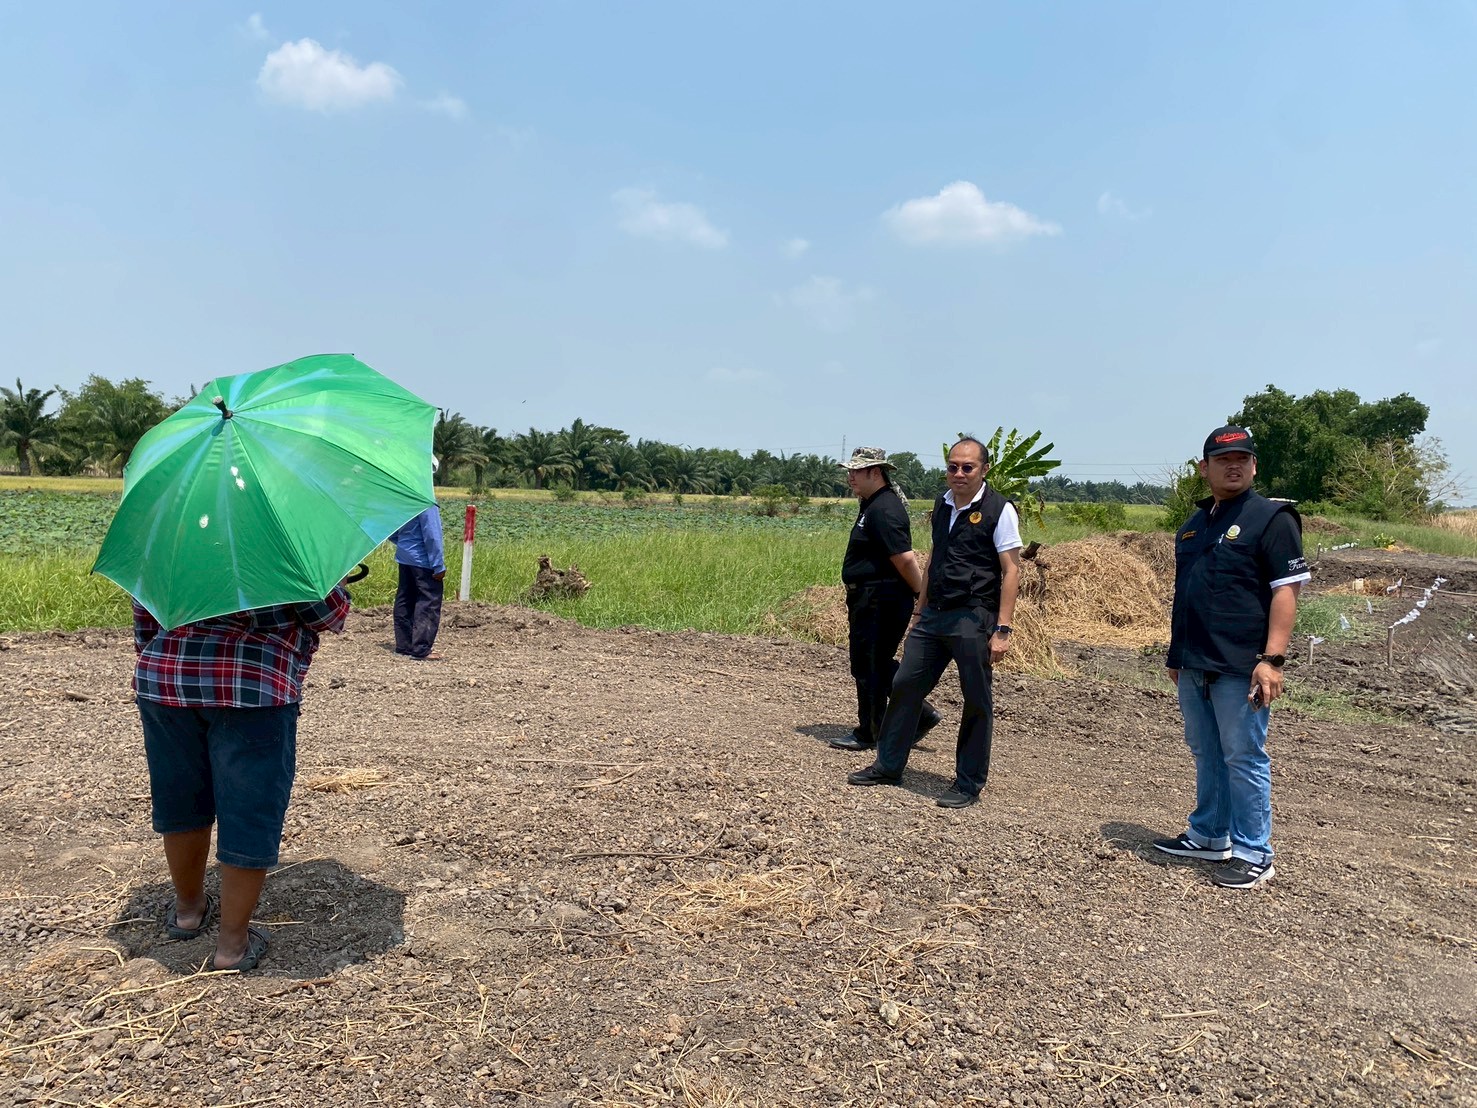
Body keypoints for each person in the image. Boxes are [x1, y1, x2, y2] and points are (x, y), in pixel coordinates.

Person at [133, 586, 351, 971]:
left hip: (166, 678)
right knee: (250, 809)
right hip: (254, 684)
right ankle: (232, 945)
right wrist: (339, 583)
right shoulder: (283, 537)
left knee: (181, 796)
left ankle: (187, 912)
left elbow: (146, 613)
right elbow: (328, 613)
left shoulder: (178, 532)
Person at [1154, 425, 1310, 888]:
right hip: (1194, 661)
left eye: (1243, 458)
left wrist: (1272, 659)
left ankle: (1254, 851)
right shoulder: (1194, 525)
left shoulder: (1272, 518)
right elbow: (1188, 595)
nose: (1234, 465)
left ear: (1254, 465)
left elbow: (1286, 593)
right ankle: (1208, 835)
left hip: (1242, 665)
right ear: (1205, 469)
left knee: (1243, 755)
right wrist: (1175, 653)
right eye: (1223, 460)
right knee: (1206, 751)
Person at [847, 436, 1023, 808]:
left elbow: (1011, 571)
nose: (958, 474)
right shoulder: (942, 506)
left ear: (984, 470)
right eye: (952, 467)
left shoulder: (999, 510)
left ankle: (968, 783)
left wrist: (1002, 629)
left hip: (973, 616)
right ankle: (889, 765)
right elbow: (934, 562)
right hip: (933, 615)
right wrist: (918, 610)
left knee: (976, 699)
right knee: (905, 684)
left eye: (967, 467)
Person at [829, 446, 942, 752]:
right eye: (850, 471)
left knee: (869, 665)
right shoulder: (872, 504)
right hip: (871, 597)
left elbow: (904, 559)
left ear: (875, 472)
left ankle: (871, 731)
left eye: (857, 471)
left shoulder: (885, 509)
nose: (851, 477)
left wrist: (922, 595)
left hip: (881, 598)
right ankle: (916, 716)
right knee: (872, 664)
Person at [390, 488, 446, 661]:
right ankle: (421, 648)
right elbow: (432, 534)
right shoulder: (426, 501)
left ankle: (404, 645)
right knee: (428, 601)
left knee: (405, 598)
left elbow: (391, 529)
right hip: (422, 560)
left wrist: (403, 544)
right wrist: (438, 564)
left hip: (404, 556)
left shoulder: (405, 498)